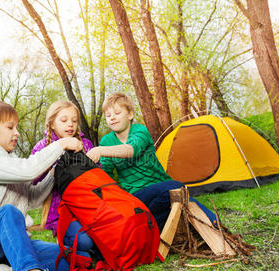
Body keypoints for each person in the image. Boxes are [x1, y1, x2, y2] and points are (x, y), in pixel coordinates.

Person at [0, 100, 89, 271]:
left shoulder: (10, 160)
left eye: (16, 127)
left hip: (17, 242)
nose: (17, 133)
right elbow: (29, 170)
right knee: (8, 212)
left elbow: (32, 199)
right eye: (10, 127)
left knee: (78, 259)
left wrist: (55, 173)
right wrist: (61, 143)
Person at [86, 92, 217, 231]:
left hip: (161, 186)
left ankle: (213, 224)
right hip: (137, 196)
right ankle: (145, 223)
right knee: (173, 191)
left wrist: (100, 150)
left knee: (174, 190)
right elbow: (108, 177)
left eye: (117, 112)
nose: (112, 117)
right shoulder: (106, 141)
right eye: (108, 115)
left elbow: (131, 150)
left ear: (130, 114)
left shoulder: (140, 131)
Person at [31, 100, 95, 252]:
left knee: (105, 233)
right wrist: (52, 167)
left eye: (74, 121)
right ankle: (66, 239)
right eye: (64, 120)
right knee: (86, 242)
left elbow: (98, 174)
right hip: (61, 211)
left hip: (87, 205)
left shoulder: (85, 144)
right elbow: (33, 179)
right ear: (52, 123)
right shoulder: (43, 147)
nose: (70, 125)